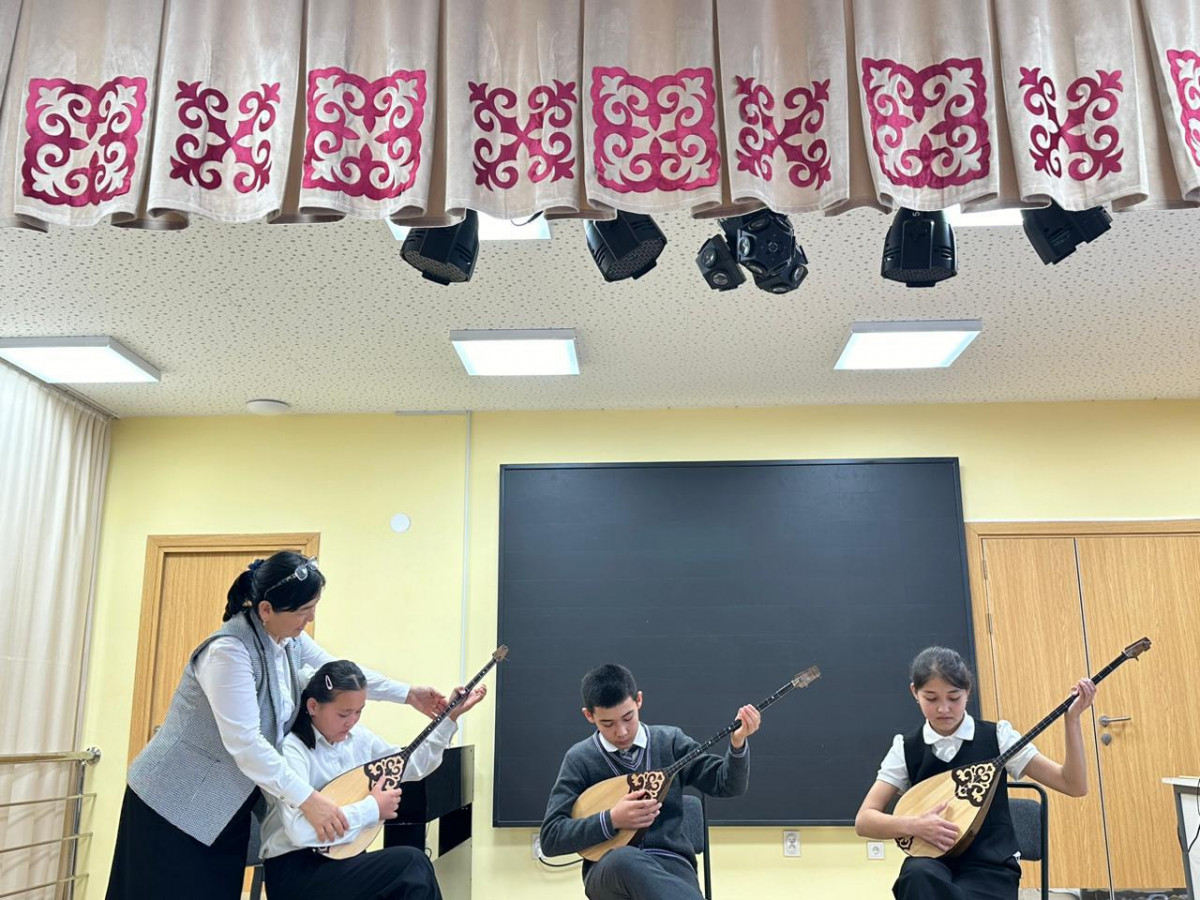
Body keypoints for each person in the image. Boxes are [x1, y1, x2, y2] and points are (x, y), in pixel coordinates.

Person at [106, 551, 448, 900]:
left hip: (226, 806)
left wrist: (407, 694)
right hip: (172, 802)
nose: (310, 618)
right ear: (267, 609)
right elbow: (246, 743)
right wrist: (309, 800)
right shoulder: (228, 652)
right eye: (303, 610)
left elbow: (339, 673)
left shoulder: (289, 641)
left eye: (313, 607)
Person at [854, 646, 1097, 900]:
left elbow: (1073, 785)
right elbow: (864, 821)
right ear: (915, 692)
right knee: (917, 876)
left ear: (967, 691)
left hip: (990, 866)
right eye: (931, 698)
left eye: (954, 697)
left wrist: (1072, 720)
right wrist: (915, 825)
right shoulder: (906, 748)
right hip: (932, 861)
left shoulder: (998, 737)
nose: (944, 708)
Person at [260, 659, 487, 900]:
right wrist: (373, 808)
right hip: (296, 871)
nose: (352, 721)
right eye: (343, 714)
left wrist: (450, 717)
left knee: (410, 875)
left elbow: (411, 765)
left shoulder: (358, 739)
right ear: (313, 706)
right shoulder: (292, 751)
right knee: (412, 865)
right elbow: (299, 831)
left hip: (345, 858)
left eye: (358, 712)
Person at [539, 663, 762, 900]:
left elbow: (727, 784)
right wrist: (612, 819)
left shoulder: (670, 741)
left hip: (671, 865)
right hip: (610, 871)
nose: (621, 731)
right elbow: (551, 838)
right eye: (607, 724)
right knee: (624, 859)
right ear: (589, 715)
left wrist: (738, 743)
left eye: (628, 718)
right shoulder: (580, 759)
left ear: (639, 700)